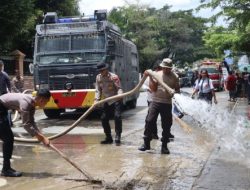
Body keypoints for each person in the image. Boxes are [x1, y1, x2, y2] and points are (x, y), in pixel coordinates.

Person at [0, 89, 51, 177]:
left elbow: (31, 121)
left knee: (7, 138)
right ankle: (6, 169)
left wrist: (41, 136)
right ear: (41, 99)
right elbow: (26, 124)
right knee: (8, 139)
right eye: (46, 102)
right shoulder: (26, 103)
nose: (45, 104)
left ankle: (6, 168)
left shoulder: (32, 104)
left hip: (2, 109)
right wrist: (40, 137)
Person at [138, 58, 180, 154]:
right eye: (165, 68)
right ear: (162, 67)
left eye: (168, 68)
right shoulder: (157, 74)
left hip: (167, 103)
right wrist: (152, 78)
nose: (166, 70)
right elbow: (153, 89)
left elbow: (178, 89)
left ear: (171, 68)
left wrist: (174, 92)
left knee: (166, 125)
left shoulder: (175, 77)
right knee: (149, 121)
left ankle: (164, 146)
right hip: (155, 101)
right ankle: (146, 143)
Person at [95, 62, 123, 145]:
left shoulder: (113, 77)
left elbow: (119, 88)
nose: (101, 72)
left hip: (115, 99)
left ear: (106, 69)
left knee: (117, 117)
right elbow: (98, 90)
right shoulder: (98, 77)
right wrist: (96, 99)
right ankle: (108, 137)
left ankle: (118, 136)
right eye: (100, 71)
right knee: (104, 118)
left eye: (102, 70)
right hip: (107, 100)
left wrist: (120, 94)